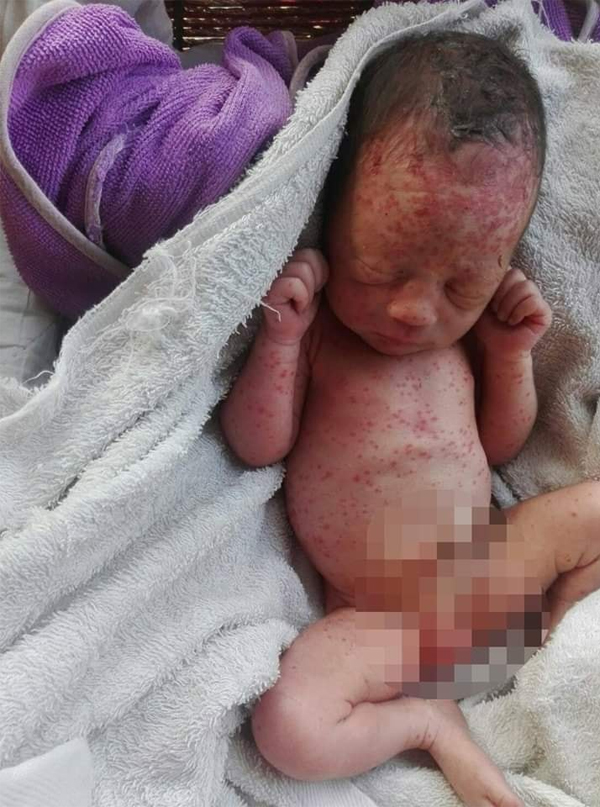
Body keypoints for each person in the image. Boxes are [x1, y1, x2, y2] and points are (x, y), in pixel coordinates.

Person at [220, 30, 600, 807]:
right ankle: (427, 724)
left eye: (460, 286)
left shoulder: (468, 339)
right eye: (382, 267)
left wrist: (509, 353)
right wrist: (281, 341)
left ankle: (565, 626)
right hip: (385, 627)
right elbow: (256, 444)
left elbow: (501, 445)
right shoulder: (322, 332)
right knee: (287, 724)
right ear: (335, 213)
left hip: (491, 570)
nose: (414, 310)